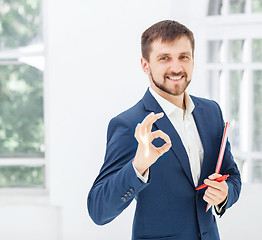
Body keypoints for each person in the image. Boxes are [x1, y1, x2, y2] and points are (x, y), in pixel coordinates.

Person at [87, 20, 241, 240]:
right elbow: (98, 210)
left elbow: (232, 175)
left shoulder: (211, 112)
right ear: (145, 65)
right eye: (164, 58)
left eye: (183, 57)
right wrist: (138, 166)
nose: (176, 68)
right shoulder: (129, 124)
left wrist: (226, 193)